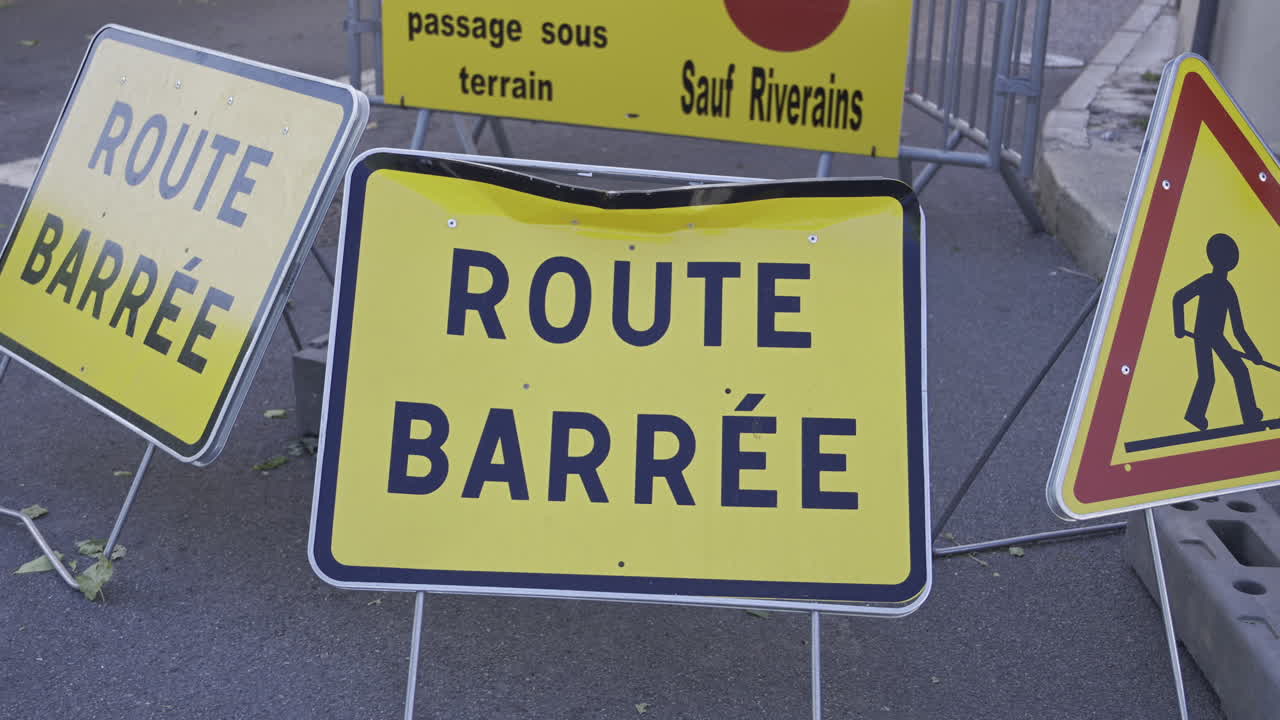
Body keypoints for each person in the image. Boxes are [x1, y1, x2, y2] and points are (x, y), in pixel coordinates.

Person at [1172, 233, 1265, 430]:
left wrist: (1254, 353)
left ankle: (1248, 414)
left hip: (1215, 336)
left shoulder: (1227, 289)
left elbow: (1238, 329)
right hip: (1203, 336)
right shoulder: (1211, 283)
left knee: (1237, 372)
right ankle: (1197, 414)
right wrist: (1179, 327)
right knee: (1210, 376)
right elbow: (1179, 298)